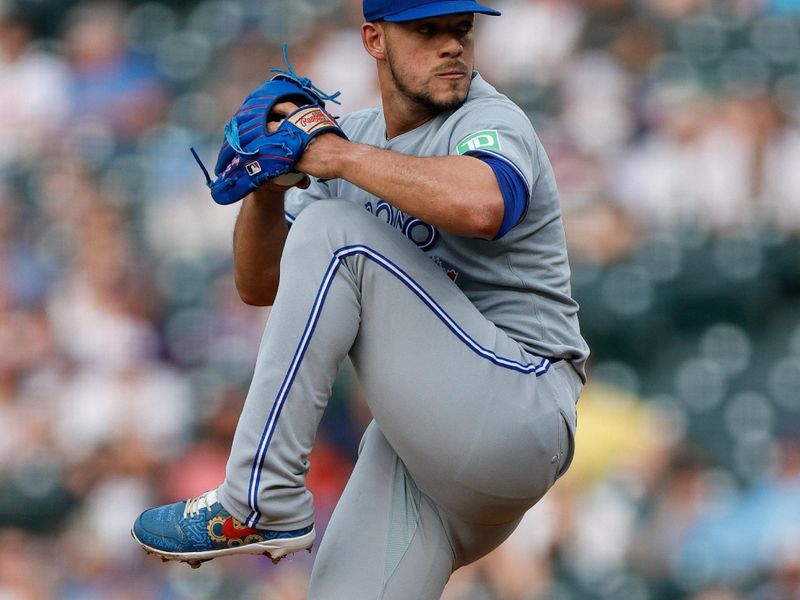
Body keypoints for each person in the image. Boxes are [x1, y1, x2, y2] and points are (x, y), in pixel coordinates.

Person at [132, 0, 589, 597]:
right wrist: (272, 185)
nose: (451, 46)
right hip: (425, 454)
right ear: (375, 40)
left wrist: (335, 157)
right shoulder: (359, 140)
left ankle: (260, 498)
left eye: (461, 30)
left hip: (520, 405)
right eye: (428, 31)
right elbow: (259, 284)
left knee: (332, 233)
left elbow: (484, 204)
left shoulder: (489, 119)